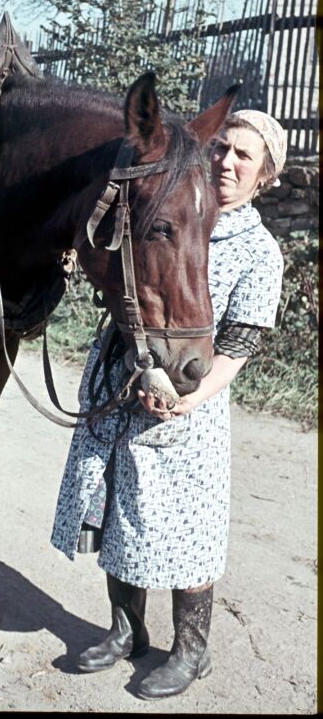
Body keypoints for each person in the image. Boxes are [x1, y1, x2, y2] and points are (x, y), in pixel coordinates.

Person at [51, 109, 286, 701]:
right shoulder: (170, 208)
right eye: (222, 149)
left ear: (265, 177)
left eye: (243, 157)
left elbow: (238, 347)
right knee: (120, 512)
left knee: (187, 528)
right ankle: (125, 631)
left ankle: (191, 649)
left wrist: (188, 401)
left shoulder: (258, 251)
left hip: (188, 408)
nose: (226, 163)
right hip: (125, 390)